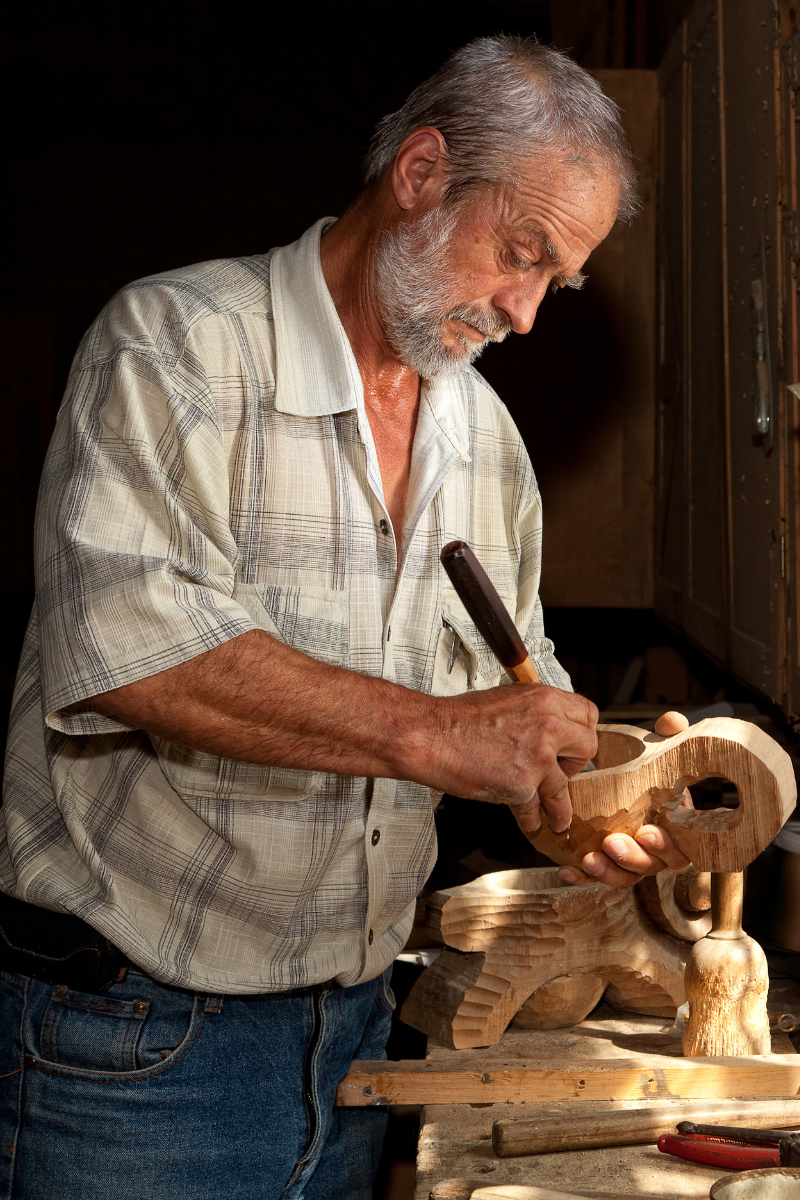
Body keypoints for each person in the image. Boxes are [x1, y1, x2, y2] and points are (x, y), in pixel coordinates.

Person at [0, 34, 690, 1200]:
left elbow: (509, 701)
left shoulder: (486, 442)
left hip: (360, 1040)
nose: (525, 315)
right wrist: (436, 733)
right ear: (419, 172)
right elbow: (129, 655)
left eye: (554, 283)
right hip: (137, 1048)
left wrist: (580, 799)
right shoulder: (174, 346)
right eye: (518, 255)